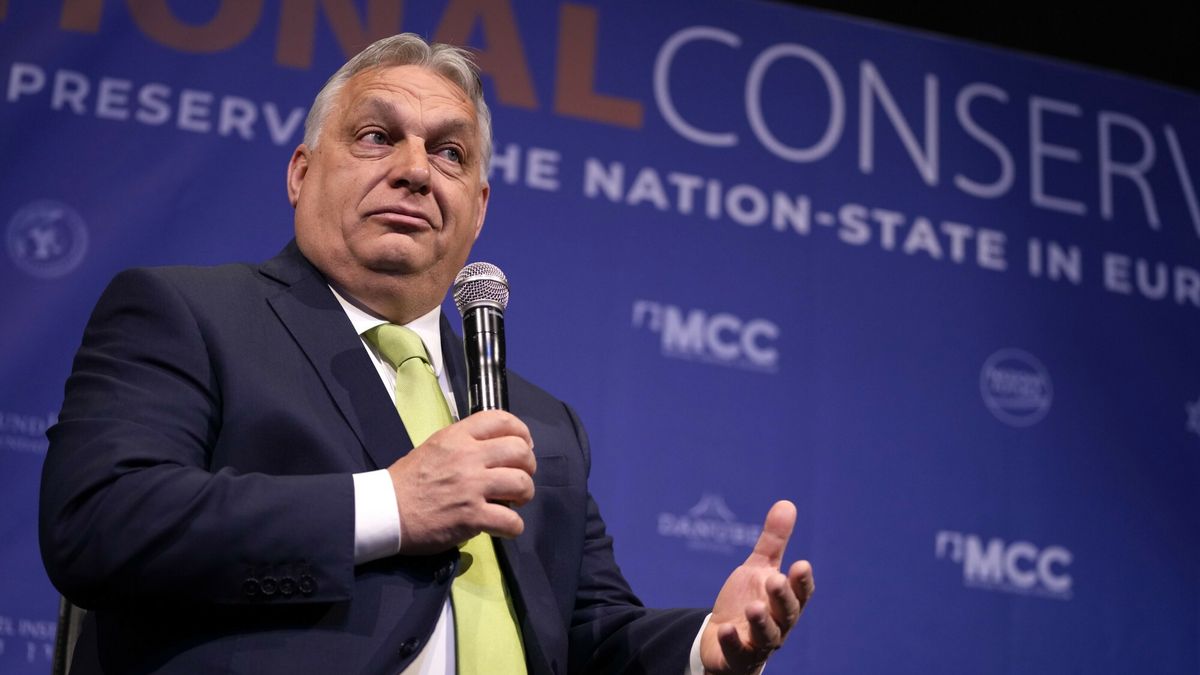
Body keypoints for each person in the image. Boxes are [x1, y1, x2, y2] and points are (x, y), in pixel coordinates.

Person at [39, 33, 814, 675]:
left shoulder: (541, 422)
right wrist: (391, 505)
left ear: (477, 211)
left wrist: (703, 646)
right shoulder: (191, 314)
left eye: (449, 153)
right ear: (301, 174)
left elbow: (590, 633)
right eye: (377, 137)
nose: (414, 169)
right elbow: (100, 521)